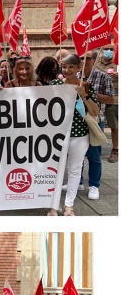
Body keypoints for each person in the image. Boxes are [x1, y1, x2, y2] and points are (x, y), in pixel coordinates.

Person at [48, 54, 99, 216]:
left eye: (71, 67)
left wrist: (84, 95)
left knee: (75, 170)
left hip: (79, 135)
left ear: (78, 68)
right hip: (57, 135)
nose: (67, 70)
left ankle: (69, 206)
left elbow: (95, 111)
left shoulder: (85, 86)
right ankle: (53, 206)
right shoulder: (55, 84)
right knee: (54, 170)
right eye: (64, 66)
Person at [70, 50, 115, 200]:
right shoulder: (75, 77)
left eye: (87, 58)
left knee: (94, 155)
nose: (84, 60)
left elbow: (110, 99)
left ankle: (94, 185)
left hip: (94, 121)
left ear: (94, 59)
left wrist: (90, 94)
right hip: (77, 122)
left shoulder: (103, 76)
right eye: (81, 58)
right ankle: (79, 182)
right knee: (77, 155)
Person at [93, 43, 118, 163]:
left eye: (111, 49)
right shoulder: (95, 63)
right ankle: (95, 146)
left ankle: (115, 150)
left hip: (114, 98)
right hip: (98, 98)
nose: (108, 51)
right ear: (101, 49)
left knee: (114, 126)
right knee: (97, 123)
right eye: (106, 49)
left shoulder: (118, 62)